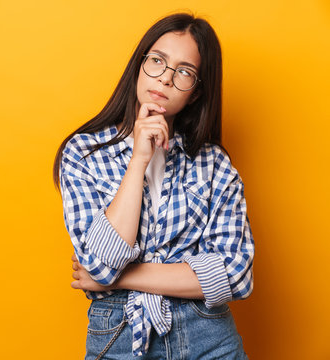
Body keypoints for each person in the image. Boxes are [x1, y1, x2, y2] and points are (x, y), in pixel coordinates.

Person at [52, 12, 255, 360]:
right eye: (157, 61)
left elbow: (235, 275)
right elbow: (102, 262)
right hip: (118, 335)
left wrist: (119, 279)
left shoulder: (214, 165)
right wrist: (138, 161)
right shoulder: (83, 154)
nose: (164, 79)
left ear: (195, 93)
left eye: (184, 72)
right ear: (139, 65)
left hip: (208, 336)